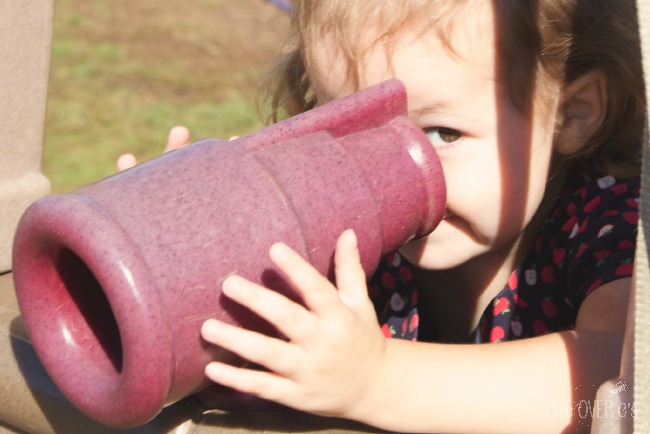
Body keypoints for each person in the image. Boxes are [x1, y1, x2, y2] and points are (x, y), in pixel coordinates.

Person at [120, 1, 644, 432]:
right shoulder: (346, 227)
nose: (389, 172)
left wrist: (374, 381)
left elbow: (614, 374)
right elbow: (263, 373)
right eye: (348, 131)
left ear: (570, 114)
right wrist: (188, 263)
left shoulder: (609, 221)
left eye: (443, 133)